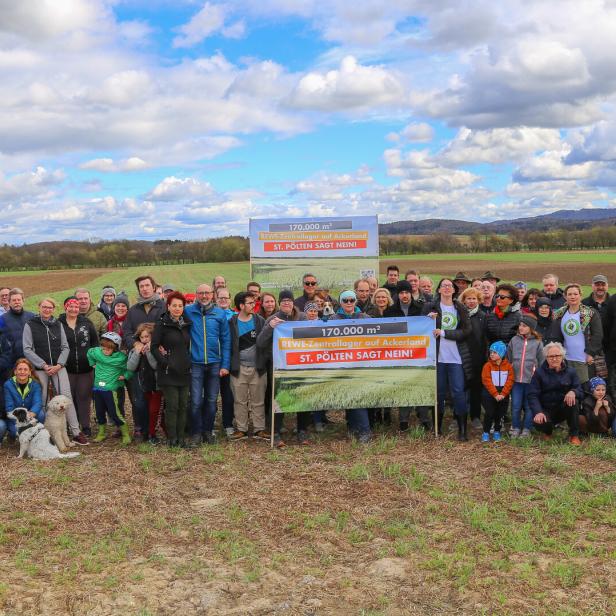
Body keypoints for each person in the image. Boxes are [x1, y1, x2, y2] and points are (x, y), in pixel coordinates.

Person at [22, 297, 88, 445]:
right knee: (43, 399)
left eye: (50, 307)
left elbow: (65, 347)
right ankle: (45, 434)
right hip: (40, 369)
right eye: (44, 307)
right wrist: (43, 364)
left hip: (59, 368)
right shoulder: (30, 325)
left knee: (65, 398)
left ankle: (76, 432)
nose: (47, 310)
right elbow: (27, 349)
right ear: (39, 307)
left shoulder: (57, 324)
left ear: (54, 309)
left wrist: (59, 364)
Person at [256, 289, 308, 447]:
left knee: (302, 398)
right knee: (279, 399)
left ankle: (302, 431)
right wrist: (270, 327)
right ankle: (276, 432)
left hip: (300, 365)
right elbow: (260, 342)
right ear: (280, 303)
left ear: (293, 302)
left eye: (289, 300)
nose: (286, 303)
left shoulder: (303, 318)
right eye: (283, 300)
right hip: (279, 366)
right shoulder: (273, 318)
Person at [422, 278, 473, 440]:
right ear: (438, 290)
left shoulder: (460, 308)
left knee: (458, 392)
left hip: (456, 358)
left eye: (450, 286)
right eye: (443, 286)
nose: (446, 288)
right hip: (437, 358)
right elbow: (420, 329)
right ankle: (437, 428)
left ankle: (462, 429)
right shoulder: (429, 307)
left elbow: (466, 331)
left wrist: (444, 333)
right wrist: (427, 320)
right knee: (439, 393)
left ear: (453, 290)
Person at [185, 283, 231, 445]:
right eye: (200, 293)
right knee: (196, 401)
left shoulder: (220, 314)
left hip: (215, 363)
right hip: (195, 363)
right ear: (196, 295)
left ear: (213, 294)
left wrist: (225, 365)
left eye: (207, 293)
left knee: (212, 400)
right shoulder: (188, 311)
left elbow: (226, 340)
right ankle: (196, 432)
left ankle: (207, 431)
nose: (204, 296)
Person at [123, 276, 165, 440]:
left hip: (157, 361)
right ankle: (141, 428)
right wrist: (135, 344)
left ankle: (157, 428)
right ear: (139, 289)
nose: (145, 288)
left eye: (148, 285)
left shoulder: (163, 307)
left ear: (154, 287)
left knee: (158, 398)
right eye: (142, 286)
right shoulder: (133, 311)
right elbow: (126, 332)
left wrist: (156, 344)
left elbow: (168, 330)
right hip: (138, 362)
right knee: (139, 399)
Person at [152, 292, 193, 448]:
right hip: (168, 371)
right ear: (168, 306)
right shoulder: (161, 324)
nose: (177, 308)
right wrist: (165, 363)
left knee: (183, 406)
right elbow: (154, 347)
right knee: (172, 406)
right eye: (174, 305)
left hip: (184, 370)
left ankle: (181, 438)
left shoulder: (187, 324)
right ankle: (172, 438)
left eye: (180, 306)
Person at [228, 292, 268, 440]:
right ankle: (241, 430)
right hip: (238, 369)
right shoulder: (231, 322)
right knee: (240, 401)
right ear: (241, 306)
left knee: (258, 400)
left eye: (254, 302)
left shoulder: (260, 321)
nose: (253, 305)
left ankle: (259, 429)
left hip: (258, 368)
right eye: (250, 303)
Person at [333, 290, 372, 443]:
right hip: (341, 364)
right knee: (347, 395)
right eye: (345, 300)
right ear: (340, 302)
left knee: (357, 396)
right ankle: (353, 427)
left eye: (351, 300)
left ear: (355, 301)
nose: (349, 303)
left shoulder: (365, 317)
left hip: (361, 364)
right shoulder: (333, 318)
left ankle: (365, 430)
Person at [59, 296, 99, 437]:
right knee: (69, 398)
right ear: (65, 307)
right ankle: (72, 425)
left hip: (86, 368)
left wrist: (94, 359)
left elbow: (95, 342)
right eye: (71, 306)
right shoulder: (59, 323)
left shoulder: (86, 322)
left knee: (84, 396)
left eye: (76, 307)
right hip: (66, 368)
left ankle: (86, 425)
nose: (74, 309)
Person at [529, 341, 583, 445]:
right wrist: (538, 411)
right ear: (546, 358)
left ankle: (574, 435)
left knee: (574, 401)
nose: (554, 359)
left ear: (562, 356)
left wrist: (573, 391)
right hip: (546, 409)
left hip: (563, 408)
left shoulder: (571, 371)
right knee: (539, 421)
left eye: (557, 356)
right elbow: (532, 394)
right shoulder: (539, 373)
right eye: (551, 356)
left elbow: (580, 390)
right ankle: (547, 432)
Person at [550, 283, 603, 385]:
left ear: (580, 295)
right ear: (565, 296)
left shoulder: (590, 313)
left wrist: (591, 353)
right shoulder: (559, 314)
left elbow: (598, 335)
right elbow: (556, 336)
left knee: (584, 386)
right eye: (569, 294)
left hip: (584, 359)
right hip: (566, 359)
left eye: (575, 294)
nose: (573, 297)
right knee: (567, 387)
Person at [87, 332, 133, 445]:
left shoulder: (121, 359)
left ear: (116, 348)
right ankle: (101, 433)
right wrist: (92, 363)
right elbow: (89, 352)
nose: (105, 351)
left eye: (109, 349)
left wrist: (125, 376)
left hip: (111, 389)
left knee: (114, 412)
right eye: (103, 348)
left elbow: (131, 367)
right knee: (99, 412)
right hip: (98, 388)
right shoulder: (97, 352)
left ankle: (125, 433)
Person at [507, 314, 544, 438]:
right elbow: (508, 358)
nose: (520, 328)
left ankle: (527, 428)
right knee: (516, 405)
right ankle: (516, 427)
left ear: (531, 328)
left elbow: (542, 361)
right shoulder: (514, 340)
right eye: (520, 325)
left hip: (531, 381)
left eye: (524, 326)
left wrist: (538, 378)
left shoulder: (538, 343)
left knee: (529, 406)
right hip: (516, 380)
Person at [127, 323, 162, 444]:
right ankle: (144, 430)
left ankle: (152, 433)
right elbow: (130, 367)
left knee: (154, 410)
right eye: (142, 337)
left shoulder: (157, 349)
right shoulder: (134, 350)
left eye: (147, 336)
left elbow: (155, 365)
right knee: (142, 407)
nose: (145, 339)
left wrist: (149, 352)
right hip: (142, 384)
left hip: (155, 385)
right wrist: (137, 353)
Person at [459, 288, 486, 430]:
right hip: (461, 357)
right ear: (463, 300)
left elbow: (484, 339)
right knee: (460, 389)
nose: (471, 301)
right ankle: (458, 417)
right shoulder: (458, 315)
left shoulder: (483, 316)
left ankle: (475, 417)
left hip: (478, 359)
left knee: (476, 389)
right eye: (468, 299)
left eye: (474, 298)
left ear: (479, 300)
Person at [1, 358, 44, 445]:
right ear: (15, 371)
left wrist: (30, 414)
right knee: (15, 432)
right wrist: (20, 420)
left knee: (41, 414)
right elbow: (9, 407)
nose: (22, 372)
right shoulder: (8, 385)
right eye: (19, 369)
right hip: (15, 416)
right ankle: (12, 436)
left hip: (30, 415)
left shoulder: (35, 384)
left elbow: (38, 403)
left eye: (25, 369)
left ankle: (35, 438)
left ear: (29, 372)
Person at [480, 341, 514, 443]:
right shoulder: (487, 366)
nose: (491, 354)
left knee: (500, 414)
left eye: (494, 352)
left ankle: (497, 431)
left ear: (501, 353)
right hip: (489, 394)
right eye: (490, 352)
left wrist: (503, 394)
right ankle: (486, 432)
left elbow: (510, 380)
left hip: (503, 395)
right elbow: (486, 380)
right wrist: (495, 394)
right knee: (489, 413)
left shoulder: (508, 366)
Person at [215, 286, 235, 437]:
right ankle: (211, 423)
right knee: (211, 396)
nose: (223, 300)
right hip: (213, 361)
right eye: (220, 297)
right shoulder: (211, 315)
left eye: (225, 298)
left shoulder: (235, 317)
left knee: (228, 395)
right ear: (216, 299)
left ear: (230, 300)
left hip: (229, 362)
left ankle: (228, 423)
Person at [0, 288, 35, 363]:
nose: (17, 302)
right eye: (14, 300)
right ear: (9, 302)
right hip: (11, 362)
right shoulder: (2, 319)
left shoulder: (32, 317)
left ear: (23, 301)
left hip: (31, 360)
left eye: (19, 300)